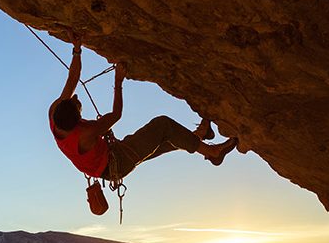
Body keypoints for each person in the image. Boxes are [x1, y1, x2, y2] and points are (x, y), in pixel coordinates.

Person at [48, 34, 238, 183]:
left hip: (111, 158)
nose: (76, 97)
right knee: (163, 126)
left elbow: (73, 78)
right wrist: (118, 81)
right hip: (118, 162)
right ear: (76, 122)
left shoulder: (55, 112)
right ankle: (212, 153)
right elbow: (116, 115)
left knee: (165, 139)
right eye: (77, 104)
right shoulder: (86, 133)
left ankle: (198, 136)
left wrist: (77, 48)